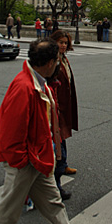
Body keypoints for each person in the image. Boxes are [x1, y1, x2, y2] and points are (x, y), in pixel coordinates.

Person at [0, 39, 102, 224]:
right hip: (25, 160)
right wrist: (21, 161)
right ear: (51, 62)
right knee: (6, 212)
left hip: (36, 158)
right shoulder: (25, 87)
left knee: (53, 204)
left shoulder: (35, 81)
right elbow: (11, 130)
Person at [50, 30, 78, 201]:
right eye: (61, 42)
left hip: (63, 104)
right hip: (56, 106)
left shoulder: (64, 59)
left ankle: (63, 165)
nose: (63, 45)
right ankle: (57, 184)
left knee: (62, 137)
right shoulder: (52, 61)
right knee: (58, 141)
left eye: (66, 42)